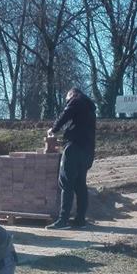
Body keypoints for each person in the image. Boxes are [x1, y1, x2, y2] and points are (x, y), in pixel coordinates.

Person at [45, 87, 96, 230]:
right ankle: (80, 220)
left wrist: (54, 129)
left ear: (71, 95)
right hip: (87, 151)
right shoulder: (90, 108)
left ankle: (63, 221)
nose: (67, 102)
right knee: (80, 184)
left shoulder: (76, 100)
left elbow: (66, 114)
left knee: (66, 182)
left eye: (67, 100)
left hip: (74, 148)